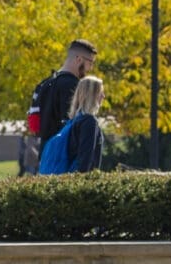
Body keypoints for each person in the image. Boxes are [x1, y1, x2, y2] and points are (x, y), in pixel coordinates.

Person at [20, 40, 97, 176]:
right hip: (64, 160)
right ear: (79, 59)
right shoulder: (72, 85)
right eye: (90, 63)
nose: (90, 68)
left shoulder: (44, 84)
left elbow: (34, 126)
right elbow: (75, 125)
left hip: (45, 157)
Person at [36, 76, 107, 174]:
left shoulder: (74, 121)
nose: (103, 96)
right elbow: (85, 159)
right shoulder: (89, 122)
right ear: (92, 95)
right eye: (100, 92)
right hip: (82, 183)